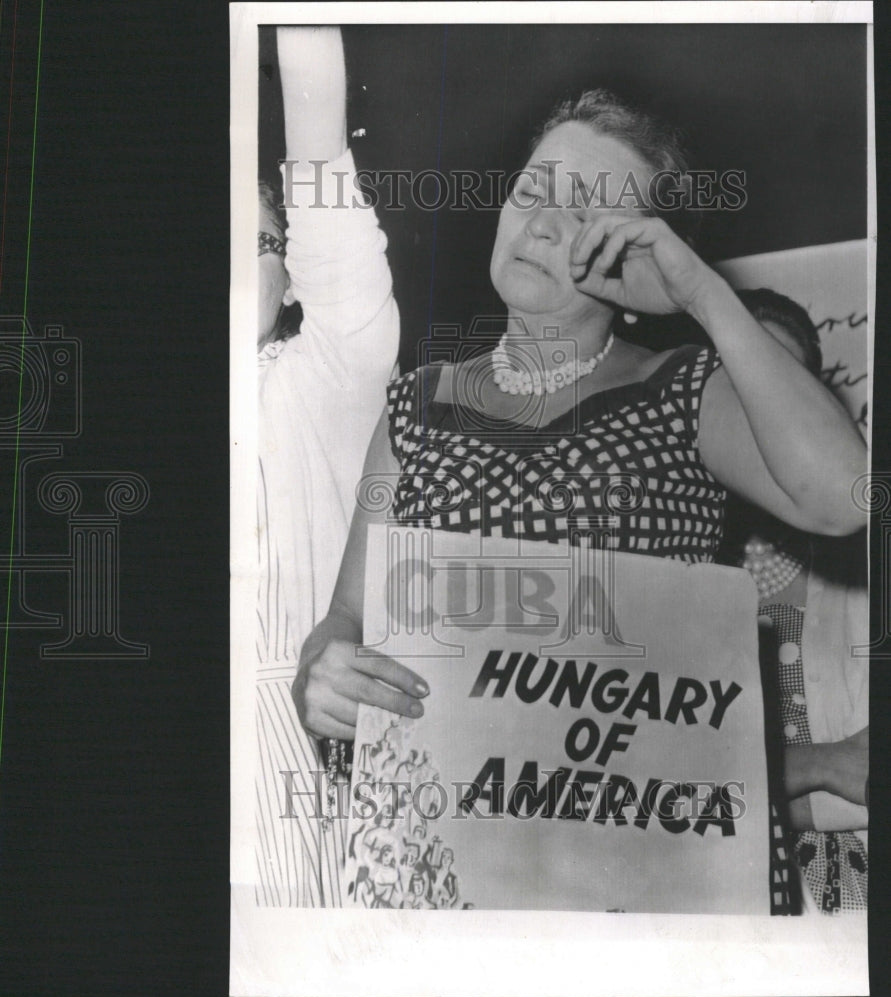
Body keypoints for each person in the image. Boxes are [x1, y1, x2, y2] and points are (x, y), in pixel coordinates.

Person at [294, 87, 866, 771]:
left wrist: (703, 295)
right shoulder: (415, 407)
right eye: (534, 191)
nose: (540, 225)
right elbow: (346, 620)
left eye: (583, 215)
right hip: (450, 839)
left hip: (643, 846)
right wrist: (319, 672)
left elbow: (844, 498)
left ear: (638, 253)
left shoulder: (681, 390)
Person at [254, 27, 399, 906]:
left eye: (257, 239)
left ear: (297, 274)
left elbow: (316, 155)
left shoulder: (323, 378)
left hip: (286, 767)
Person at [722, 288, 868, 914]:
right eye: (732, 387)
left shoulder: (866, 570)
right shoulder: (646, 562)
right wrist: (820, 763)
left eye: (781, 387)